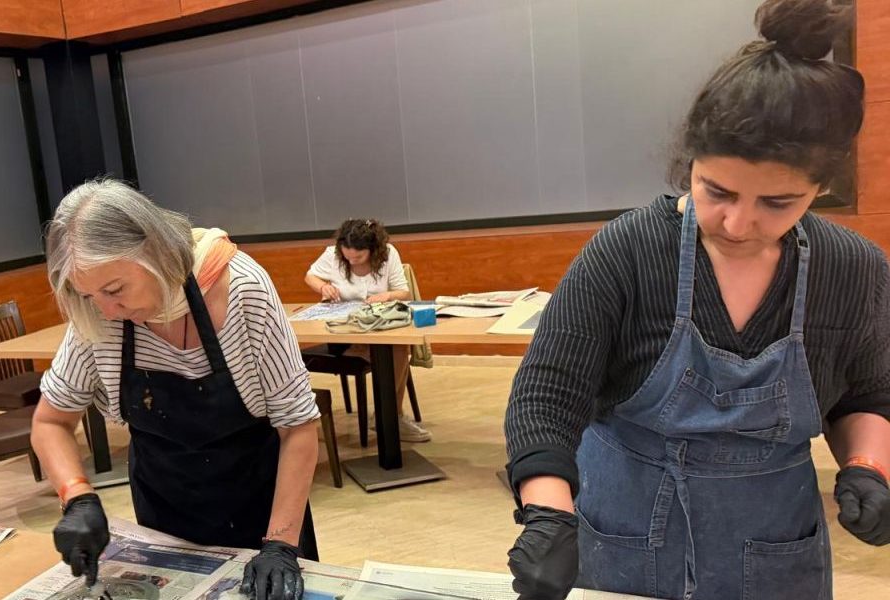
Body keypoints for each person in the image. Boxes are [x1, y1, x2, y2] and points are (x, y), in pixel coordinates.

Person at [502, 1, 890, 598]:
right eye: (717, 191)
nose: (737, 223)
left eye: (777, 203)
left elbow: (867, 393)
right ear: (691, 162)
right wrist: (548, 512)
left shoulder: (851, 269)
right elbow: (547, 393)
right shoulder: (629, 249)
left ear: (822, 187)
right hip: (625, 531)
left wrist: (868, 466)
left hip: (773, 547)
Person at [32, 179, 320, 600]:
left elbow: (298, 427)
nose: (107, 310)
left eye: (115, 290)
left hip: (262, 505)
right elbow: (50, 421)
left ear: (155, 252)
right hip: (163, 513)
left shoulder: (242, 289)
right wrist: (76, 495)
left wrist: (280, 544)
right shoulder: (98, 316)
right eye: (89, 296)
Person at [303, 218, 429, 442]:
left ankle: (388, 415)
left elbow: (404, 292)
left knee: (399, 348)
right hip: (344, 334)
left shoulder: (388, 254)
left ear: (373, 249)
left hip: (378, 328)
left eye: (358, 257)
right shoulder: (332, 254)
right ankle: (390, 416)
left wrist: (386, 295)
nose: (352, 261)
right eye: (347, 257)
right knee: (395, 352)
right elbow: (310, 276)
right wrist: (323, 287)